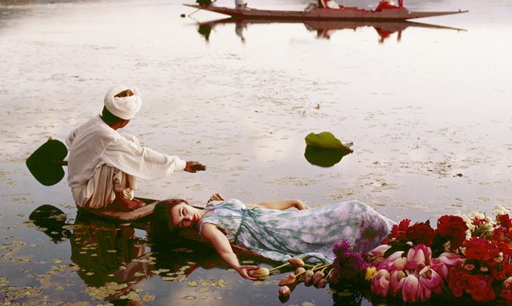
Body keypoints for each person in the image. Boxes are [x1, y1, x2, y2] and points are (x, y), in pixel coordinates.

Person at [150, 197, 394, 279]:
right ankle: (390, 244)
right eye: (181, 223)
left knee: (354, 208)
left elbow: (255, 206)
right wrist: (237, 266)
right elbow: (223, 247)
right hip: (276, 234)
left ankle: (396, 235)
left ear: (183, 201)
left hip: (277, 220)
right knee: (353, 211)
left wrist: (292, 202)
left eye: (183, 211)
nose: (187, 218)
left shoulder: (213, 205)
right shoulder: (206, 226)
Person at [66, 86, 206, 211]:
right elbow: (141, 155)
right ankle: (119, 200)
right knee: (121, 155)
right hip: (86, 197)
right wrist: (182, 165)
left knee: (129, 141)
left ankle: (122, 195)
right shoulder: (108, 138)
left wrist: (83, 158)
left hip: (83, 188)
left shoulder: (93, 122)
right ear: (125, 121)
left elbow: (71, 139)